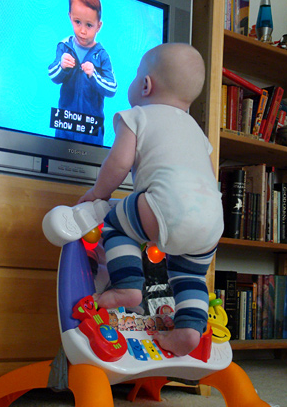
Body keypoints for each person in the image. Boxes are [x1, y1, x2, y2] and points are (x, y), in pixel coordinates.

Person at [78, 43, 224, 356]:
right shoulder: (198, 133)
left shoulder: (136, 116)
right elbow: (207, 178)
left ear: (146, 85)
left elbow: (118, 163)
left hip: (166, 206)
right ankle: (188, 330)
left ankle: (127, 287)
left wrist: (97, 195)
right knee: (190, 275)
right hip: (212, 219)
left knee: (116, 225)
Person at [48, 0, 117, 145]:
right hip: (65, 123)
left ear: (99, 26)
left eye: (89, 25)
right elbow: (52, 75)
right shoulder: (64, 46)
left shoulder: (101, 55)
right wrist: (62, 66)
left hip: (91, 127)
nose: (82, 31)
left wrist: (94, 75)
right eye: (77, 22)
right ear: (70, 17)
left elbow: (112, 88)